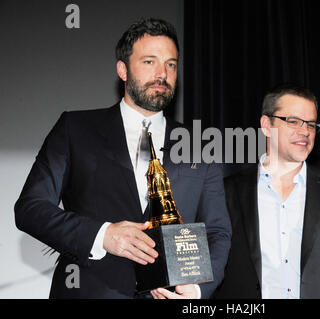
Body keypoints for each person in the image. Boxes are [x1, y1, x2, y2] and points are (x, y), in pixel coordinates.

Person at [14, 18, 231, 299]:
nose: (162, 74)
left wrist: (197, 289)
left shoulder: (200, 144)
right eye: (149, 62)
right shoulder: (75, 129)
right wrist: (103, 235)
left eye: (171, 64)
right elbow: (30, 208)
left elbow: (217, 232)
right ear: (123, 70)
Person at [214, 84, 320, 299]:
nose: (305, 131)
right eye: (293, 121)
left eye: (311, 125)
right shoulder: (225, 192)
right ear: (266, 125)